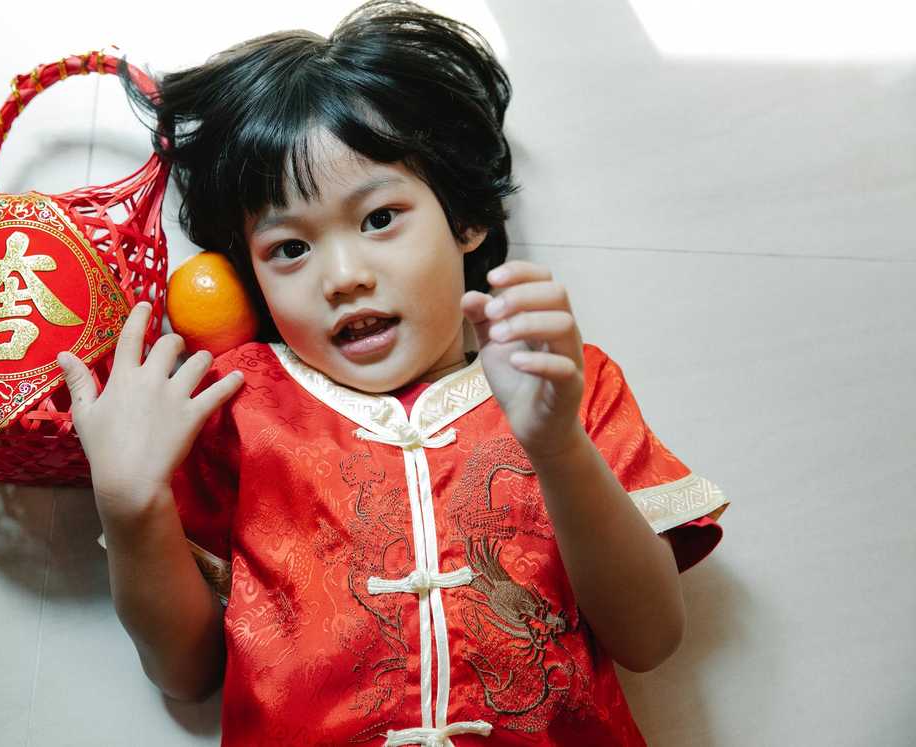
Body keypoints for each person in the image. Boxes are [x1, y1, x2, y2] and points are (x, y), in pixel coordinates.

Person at [56, 2, 730, 744]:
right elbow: (186, 672)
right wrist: (130, 506)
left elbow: (650, 638)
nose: (342, 276)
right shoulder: (236, 406)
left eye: (379, 219)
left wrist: (558, 444)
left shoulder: (566, 382)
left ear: (465, 218)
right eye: (289, 249)